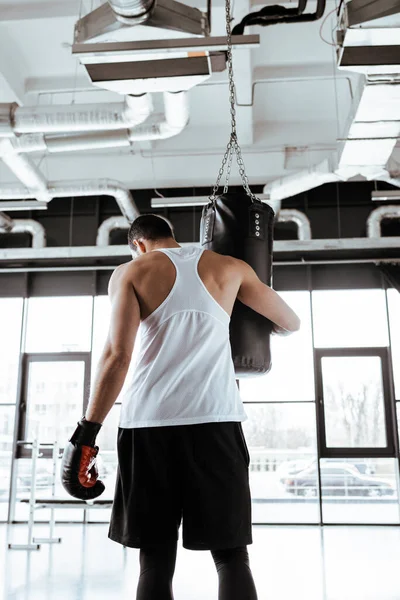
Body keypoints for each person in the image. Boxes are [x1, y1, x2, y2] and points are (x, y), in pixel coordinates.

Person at [62, 213, 300, 600]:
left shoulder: (131, 272)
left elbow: (116, 357)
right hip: (217, 423)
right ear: (172, 236)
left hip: (149, 425)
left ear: (138, 244)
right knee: (231, 557)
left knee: (154, 558)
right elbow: (290, 322)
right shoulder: (230, 267)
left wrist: (85, 433)